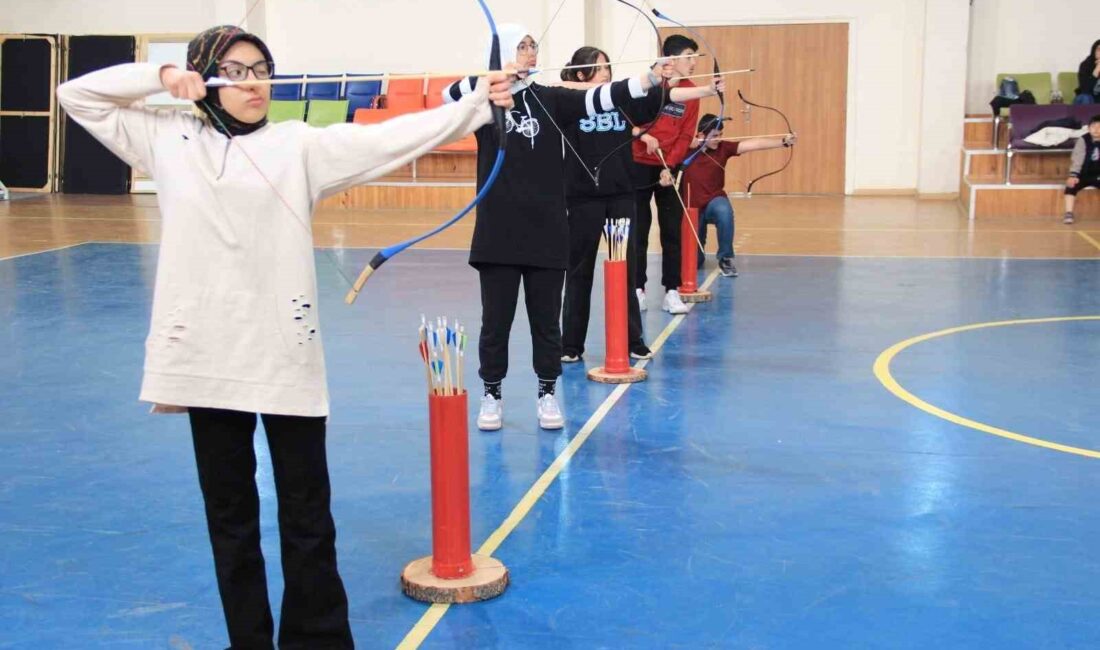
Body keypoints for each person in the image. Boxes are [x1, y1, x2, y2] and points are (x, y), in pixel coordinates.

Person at [57, 25, 514, 649]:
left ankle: (319, 641)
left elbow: (386, 137)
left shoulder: (297, 145)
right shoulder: (164, 138)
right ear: (204, 77)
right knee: (231, 521)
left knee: (307, 516)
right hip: (206, 357)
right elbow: (75, 95)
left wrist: (473, 105)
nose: (254, 83)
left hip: (283, 356)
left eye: (262, 70)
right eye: (236, 71)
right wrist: (160, 78)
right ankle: (247, 641)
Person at [442, 25, 667, 431]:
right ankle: (491, 393)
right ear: (505, 53)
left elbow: (601, 97)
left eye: (533, 46)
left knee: (546, 322)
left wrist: (648, 78)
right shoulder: (483, 101)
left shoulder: (549, 100)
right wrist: (493, 78)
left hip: (547, 229)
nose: (530, 52)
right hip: (498, 231)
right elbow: (448, 97)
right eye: (521, 47)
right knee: (496, 321)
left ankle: (547, 393)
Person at [558, 47, 721, 362]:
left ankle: (633, 340)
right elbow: (556, 91)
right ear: (582, 74)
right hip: (582, 197)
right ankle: (570, 345)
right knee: (579, 271)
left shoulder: (621, 99)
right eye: (600, 68)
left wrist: (706, 89)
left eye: (608, 67)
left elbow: (666, 98)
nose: (607, 72)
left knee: (627, 269)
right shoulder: (568, 102)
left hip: (620, 195)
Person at [631, 34, 704, 315]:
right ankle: (637, 289)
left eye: (695, 57)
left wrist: (669, 166)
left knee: (671, 230)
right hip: (637, 164)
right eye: (688, 56)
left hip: (668, 169)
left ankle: (671, 291)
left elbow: (686, 135)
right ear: (671, 59)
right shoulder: (648, 83)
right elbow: (632, 120)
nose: (694, 62)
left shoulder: (692, 93)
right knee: (638, 231)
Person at [681, 114, 796, 276]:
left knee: (724, 211)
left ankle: (725, 259)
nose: (718, 139)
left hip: (714, 201)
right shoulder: (686, 149)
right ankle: (696, 255)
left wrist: (782, 142)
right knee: (695, 262)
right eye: (714, 135)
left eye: (720, 135)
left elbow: (754, 144)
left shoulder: (723, 148)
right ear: (700, 135)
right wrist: (686, 143)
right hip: (691, 209)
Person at [1063, 115, 1100, 224]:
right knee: (1071, 185)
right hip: (1084, 173)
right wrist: (1073, 175)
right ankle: (1069, 213)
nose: (1097, 130)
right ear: (1088, 128)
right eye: (1093, 127)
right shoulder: (1083, 139)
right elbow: (1077, 158)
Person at [1074, 40, 1100, 105]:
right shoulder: (1085, 65)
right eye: (1099, 50)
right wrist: (1097, 69)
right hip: (1088, 98)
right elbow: (1085, 90)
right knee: (1084, 97)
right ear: (1094, 51)